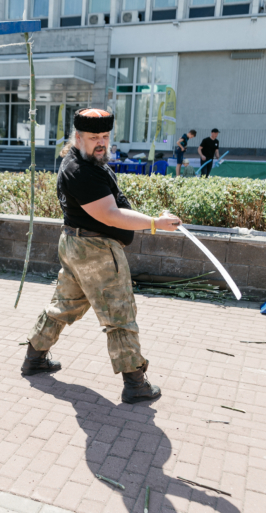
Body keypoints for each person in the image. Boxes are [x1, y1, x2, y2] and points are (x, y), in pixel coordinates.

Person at [21, 107, 182, 405]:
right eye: (94, 137)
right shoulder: (80, 171)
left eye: (105, 136)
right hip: (95, 252)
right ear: (78, 137)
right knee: (119, 315)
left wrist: (149, 218)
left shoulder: (79, 159)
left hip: (75, 245)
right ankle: (135, 383)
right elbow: (109, 215)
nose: (101, 142)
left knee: (63, 305)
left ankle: (34, 358)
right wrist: (154, 224)